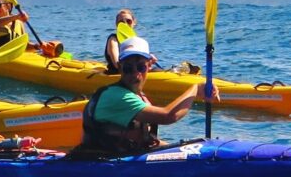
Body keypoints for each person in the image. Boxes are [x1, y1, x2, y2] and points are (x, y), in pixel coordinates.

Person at [75, 36, 218, 157]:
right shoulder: (117, 96)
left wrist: (188, 150)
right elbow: (168, 116)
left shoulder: (139, 97)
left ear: (150, 65)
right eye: (128, 68)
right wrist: (196, 89)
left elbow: (148, 140)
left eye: (141, 67)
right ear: (119, 67)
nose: (135, 73)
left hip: (121, 159)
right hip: (98, 162)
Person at [103, 8, 136, 74]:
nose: (125, 24)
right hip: (118, 73)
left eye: (129, 21)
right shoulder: (113, 39)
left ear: (134, 23)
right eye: (121, 22)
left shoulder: (136, 40)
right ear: (116, 25)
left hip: (135, 71)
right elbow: (117, 64)